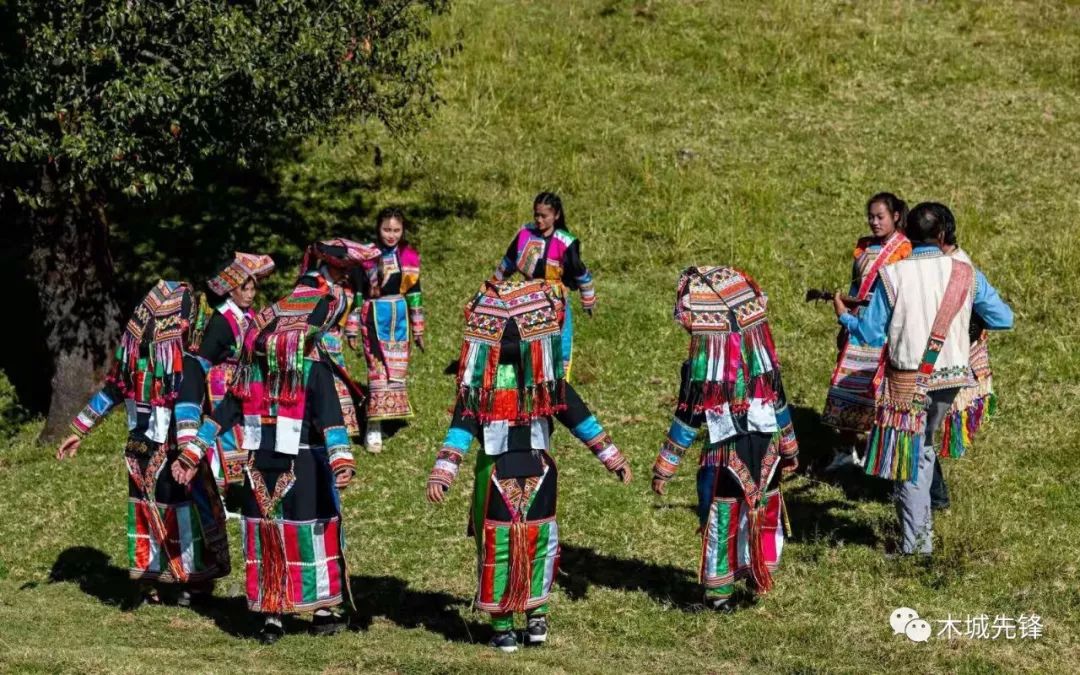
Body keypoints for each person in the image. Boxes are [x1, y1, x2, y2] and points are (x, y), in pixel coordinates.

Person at [179, 238, 380, 643]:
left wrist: (192, 451)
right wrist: (341, 461)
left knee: (276, 535)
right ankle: (308, 610)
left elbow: (225, 414)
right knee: (299, 534)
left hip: (271, 467)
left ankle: (283, 613)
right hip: (292, 466)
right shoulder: (303, 371)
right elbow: (329, 420)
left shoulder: (264, 373)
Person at [426, 279, 631, 653]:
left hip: (533, 470)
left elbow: (576, 414)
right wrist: (444, 470)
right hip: (501, 470)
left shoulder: (544, 380)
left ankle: (534, 614)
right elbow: (463, 424)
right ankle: (504, 622)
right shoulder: (482, 382)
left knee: (537, 541)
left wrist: (610, 455)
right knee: (501, 543)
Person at [834, 203, 1013, 555]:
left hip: (907, 382)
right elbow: (1003, 318)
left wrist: (845, 317)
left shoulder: (892, 276)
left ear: (906, 235)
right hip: (951, 379)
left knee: (910, 460)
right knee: (923, 449)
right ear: (942, 234)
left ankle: (917, 546)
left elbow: (870, 334)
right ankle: (920, 534)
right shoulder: (965, 272)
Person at [57, 280, 230, 606]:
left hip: (141, 452)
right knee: (179, 514)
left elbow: (111, 393)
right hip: (169, 453)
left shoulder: (134, 359)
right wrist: (189, 455)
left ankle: (157, 582)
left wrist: (80, 430)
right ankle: (186, 582)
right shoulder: (180, 363)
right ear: (182, 323)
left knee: (150, 514)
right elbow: (186, 408)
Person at [650, 266, 798, 612]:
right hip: (767, 451)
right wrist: (790, 448)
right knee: (758, 512)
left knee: (722, 517)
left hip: (725, 455)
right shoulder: (763, 355)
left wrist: (664, 468)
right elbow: (779, 401)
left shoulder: (702, 366)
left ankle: (720, 595)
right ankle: (758, 574)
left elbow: (688, 417)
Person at [823, 193, 912, 472]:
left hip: (884, 331)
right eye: (871, 217)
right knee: (847, 388)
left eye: (880, 217)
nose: (874, 222)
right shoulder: (865, 248)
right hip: (858, 325)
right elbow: (855, 288)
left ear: (895, 216)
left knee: (878, 394)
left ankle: (875, 453)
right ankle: (846, 449)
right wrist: (846, 319)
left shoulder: (905, 250)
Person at [175, 252, 275, 492]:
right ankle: (223, 488)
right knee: (226, 435)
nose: (250, 294)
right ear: (231, 291)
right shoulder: (222, 321)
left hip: (248, 385)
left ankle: (243, 486)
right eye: (244, 289)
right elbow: (202, 360)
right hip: (224, 387)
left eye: (253, 289)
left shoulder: (250, 315)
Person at [345, 208, 425, 453]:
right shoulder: (366, 256)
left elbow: (414, 294)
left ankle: (386, 414)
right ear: (378, 229)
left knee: (395, 373)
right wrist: (351, 327)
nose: (391, 235)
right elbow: (358, 292)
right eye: (387, 229)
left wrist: (418, 329)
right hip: (372, 317)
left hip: (399, 319)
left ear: (403, 231)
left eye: (396, 230)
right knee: (377, 371)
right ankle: (373, 426)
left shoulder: (409, 257)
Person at [491, 192, 595, 377]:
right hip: (527, 297)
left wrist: (588, 299)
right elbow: (508, 262)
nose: (539, 220)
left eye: (544, 216)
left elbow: (580, 271)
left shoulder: (565, 242)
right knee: (526, 344)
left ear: (556, 215)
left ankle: (559, 387)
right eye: (536, 215)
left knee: (558, 346)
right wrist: (492, 287)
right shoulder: (525, 234)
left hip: (555, 301)